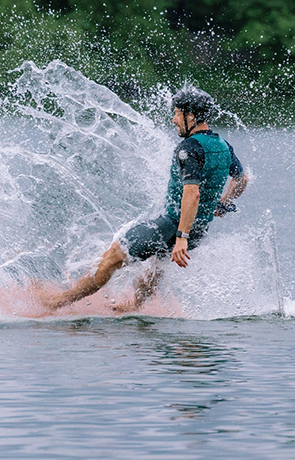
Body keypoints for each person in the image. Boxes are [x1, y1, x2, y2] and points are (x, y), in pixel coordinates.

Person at [34, 86, 249, 313]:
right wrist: (223, 203)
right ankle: (134, 307)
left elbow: (192, 193)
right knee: (156, 264)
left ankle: (59, 302)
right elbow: (241, 179)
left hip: (174, 227)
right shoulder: (223, 146)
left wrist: (181, 237)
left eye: (177, 114)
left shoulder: (189, 148)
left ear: (191, 116)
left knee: (113, 257)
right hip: (198, 230)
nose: (174, 120)